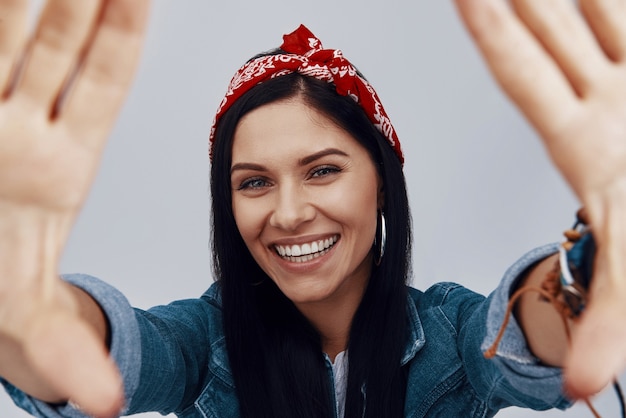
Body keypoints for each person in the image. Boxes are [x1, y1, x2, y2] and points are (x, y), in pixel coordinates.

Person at [0, 0, 625, 417]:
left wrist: (592, 269)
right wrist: (23, 302)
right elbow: (119, 349)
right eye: (254, 183)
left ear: (381, 181)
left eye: (322, 171)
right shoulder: (203, 338)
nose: (290, 213)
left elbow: (518, 332)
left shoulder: (449, 332)